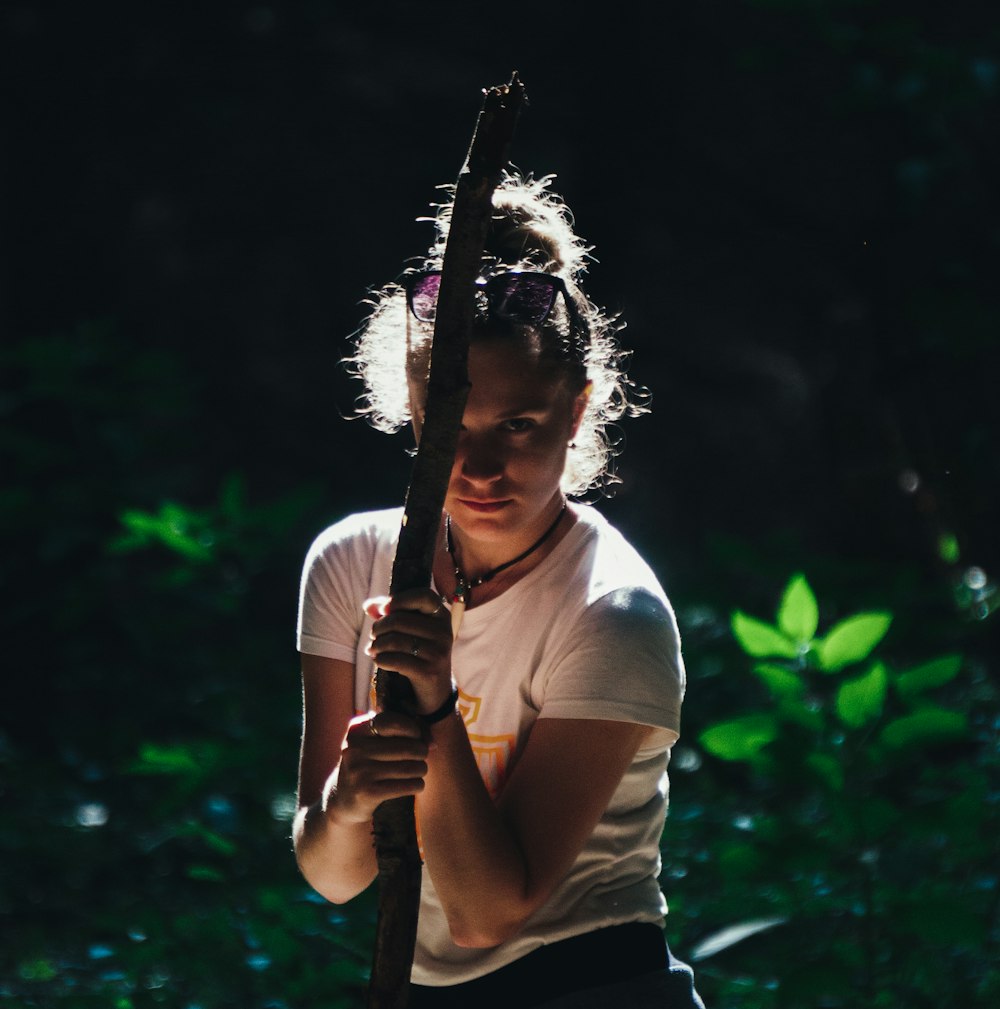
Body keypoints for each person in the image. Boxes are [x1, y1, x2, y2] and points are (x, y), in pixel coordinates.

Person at [294, 172, 704, 1008]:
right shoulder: (350, 562)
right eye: (452, 428)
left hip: (596, 985)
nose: (478, 469)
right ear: (415, 415)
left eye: (518, 425)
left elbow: (488, 911)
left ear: (578, 410)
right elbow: (334, 876)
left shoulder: (614, 613)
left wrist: (434, 706)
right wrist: (347, 802)